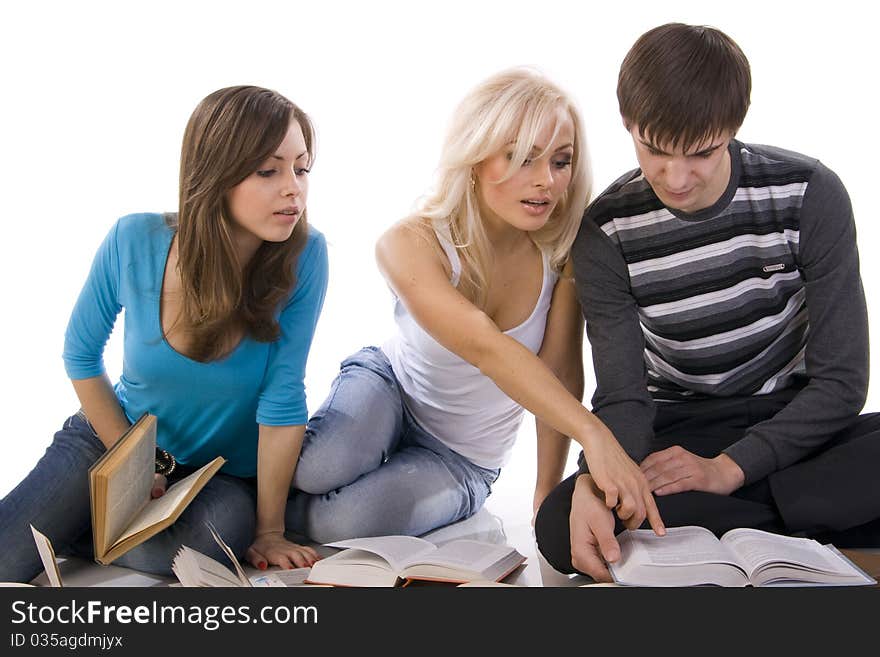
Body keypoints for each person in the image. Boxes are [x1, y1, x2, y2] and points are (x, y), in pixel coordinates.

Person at [534, 23, 880, 582]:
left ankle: (729, 521)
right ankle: (815, 519)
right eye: (654, 150)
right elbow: (623, 397)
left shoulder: (809, 193)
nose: (676, 178)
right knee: (560, 525)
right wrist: (601, 482)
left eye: (700, 153)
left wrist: (730, 470)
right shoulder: (605, 229)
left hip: (792, 422)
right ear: (627, 126)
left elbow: (842, 383)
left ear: (733, 126)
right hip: (679, 432)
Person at [285, 69, 664, 543]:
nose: (547, 181)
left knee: (338, 524)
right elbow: (485, 347)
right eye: (524, 158)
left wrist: (546, 489)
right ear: (476, 158)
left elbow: (560, 372)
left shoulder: (561, 255)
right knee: (315, 469)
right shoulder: (408, 243)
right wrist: (597, 436)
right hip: (390, 390)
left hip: (463, 458)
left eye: (561, 161)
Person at [0, 85, 329, 582]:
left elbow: (282, 396)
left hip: (215, 475)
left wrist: (270, 531)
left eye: (301, 169)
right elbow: (81, 354)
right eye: (269, 171)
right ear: (216, 173)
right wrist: (135, 463)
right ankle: (85, 518)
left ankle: (76, 529)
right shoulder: (133, 239)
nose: (293, 188)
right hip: (115, 442)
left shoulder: (306, 255)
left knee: (202, 546)